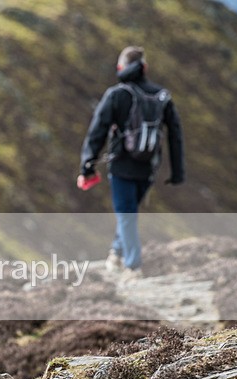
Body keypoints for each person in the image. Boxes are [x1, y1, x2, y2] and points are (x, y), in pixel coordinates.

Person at [78, 45, 184, 280]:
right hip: (148, 168)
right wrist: (178, 171)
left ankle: (133, 267)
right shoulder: (162, 97)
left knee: (126, 216)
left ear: (120, 68)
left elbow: (97, 131)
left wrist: (87, 165)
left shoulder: (117, 95)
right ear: (144, 67)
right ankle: (116, 254)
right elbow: (175, 135)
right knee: (128, 214)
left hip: (121, 168)